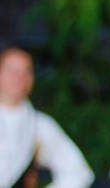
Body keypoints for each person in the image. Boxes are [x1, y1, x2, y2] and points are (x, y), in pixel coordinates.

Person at [0, 46, 94, 188]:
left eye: (27, 71)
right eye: (12, 70)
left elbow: (78, 173)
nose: (19, 77)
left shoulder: (40, 125)